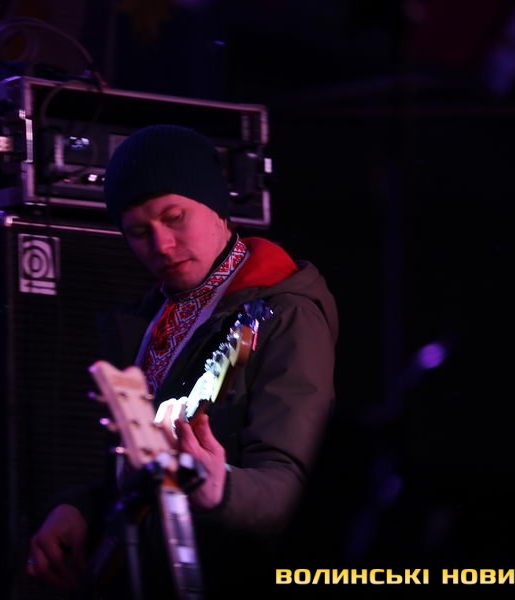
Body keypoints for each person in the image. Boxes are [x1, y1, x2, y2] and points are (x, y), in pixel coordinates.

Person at [26, 124, 339, 598]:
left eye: (174, 218)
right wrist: (82, 509)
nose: (161, 245)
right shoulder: (148, 321)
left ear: (217, 207)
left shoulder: (286, 312)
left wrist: (220, 489)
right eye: (138, 232)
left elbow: (292, 484)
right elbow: (144, 472)